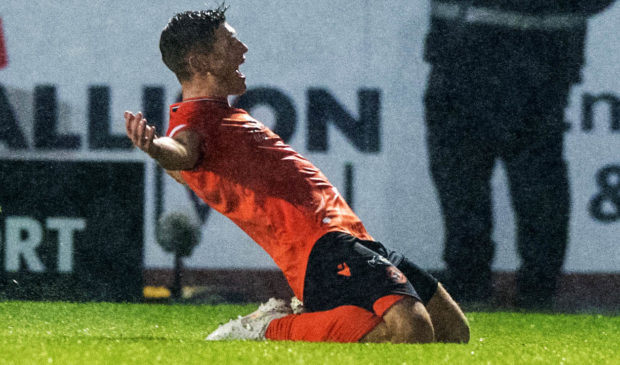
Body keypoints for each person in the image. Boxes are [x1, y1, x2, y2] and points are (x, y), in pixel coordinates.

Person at [125, 5, 469, 343]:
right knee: (412, 330)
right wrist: (156, 147)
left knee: (453, 331)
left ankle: (308, 322)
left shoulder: (221, 117)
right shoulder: (193, 121)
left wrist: (166, 157)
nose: (243, 50)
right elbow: (182, 151)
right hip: (320, 248)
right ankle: (267, 328)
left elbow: (184, 165)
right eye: (230, 44)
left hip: (352, 236)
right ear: (199, 63)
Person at [423, 0, 616, 308]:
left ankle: (472, 289)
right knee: (536, 175)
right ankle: (536, 293)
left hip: (467, 46)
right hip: (546, 49)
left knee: (462, 174)